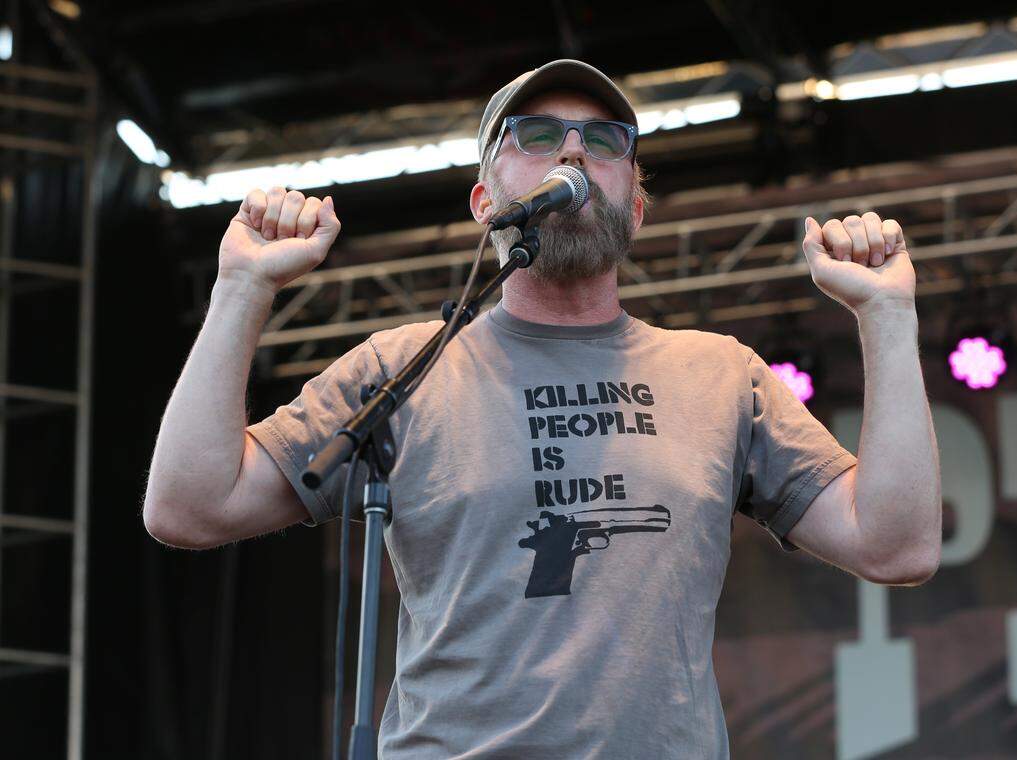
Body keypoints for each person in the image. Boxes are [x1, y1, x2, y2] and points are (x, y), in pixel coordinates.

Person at [143, 59, 941, 757]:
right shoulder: (406, 365)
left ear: (634, 210)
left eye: (604, 142)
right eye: (536, 135)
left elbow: (896, 546)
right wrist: (242, 288)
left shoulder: (720, 374)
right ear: (486, 201)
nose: (572, 150)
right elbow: (189, 504)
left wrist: (888, 315)